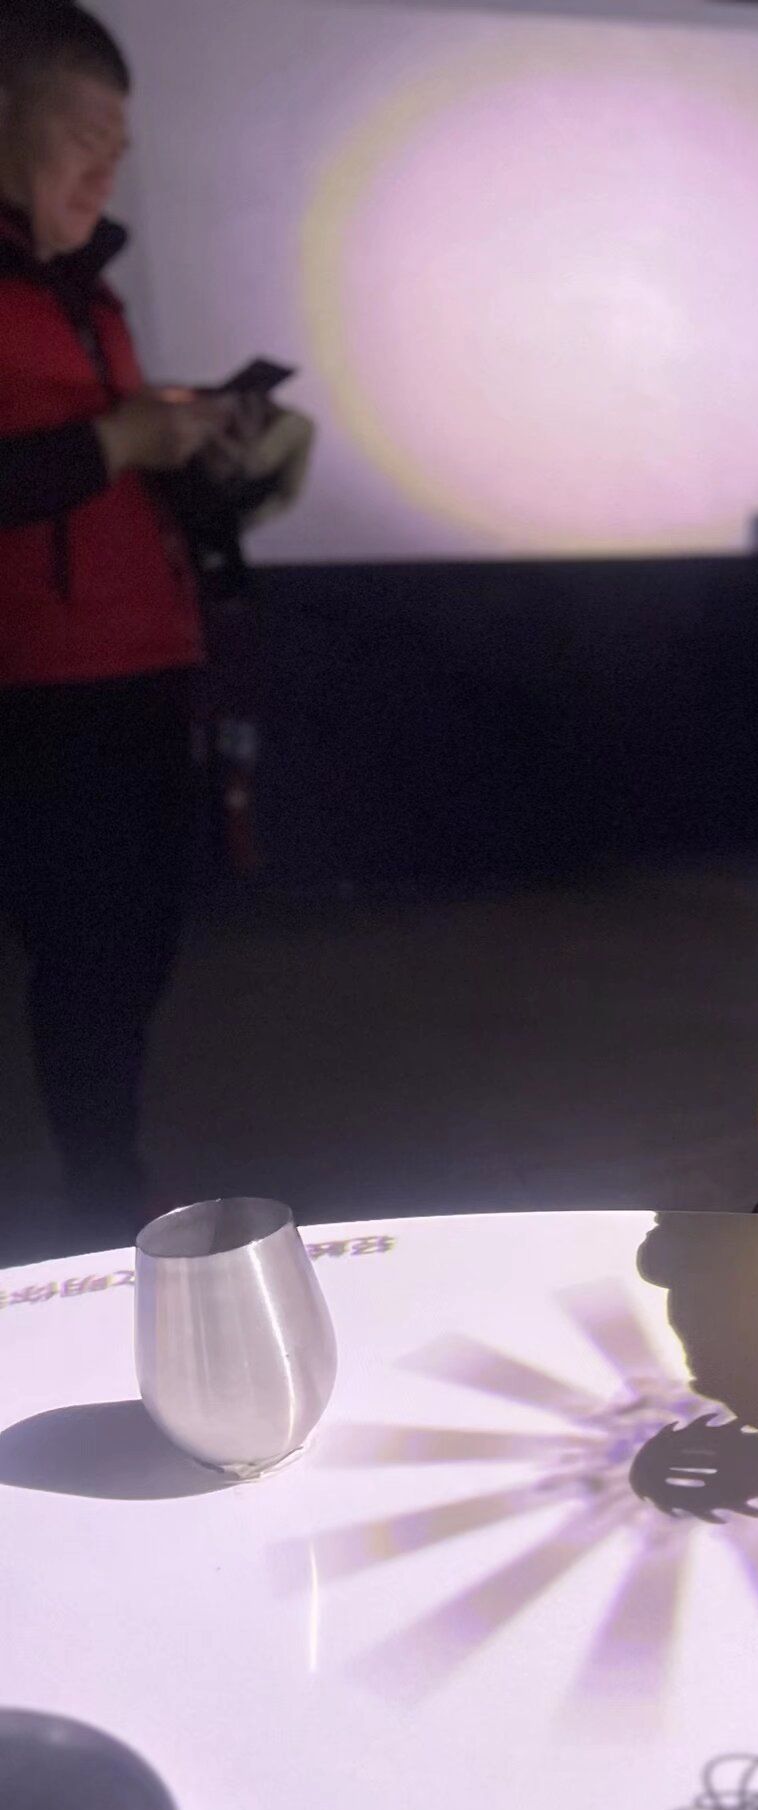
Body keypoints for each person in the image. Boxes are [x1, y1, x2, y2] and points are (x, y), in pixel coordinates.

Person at [0, 3, 234, 1242]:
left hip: (140, 665)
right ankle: (98, 1197)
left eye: (118, 145)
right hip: (43, 684)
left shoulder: (87, 295)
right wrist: (118, 437)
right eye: (84, 135)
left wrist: (198, 449)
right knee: (86, 955)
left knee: (132, 944)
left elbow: (103, 475)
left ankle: (108, 1169)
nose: (107, 169)